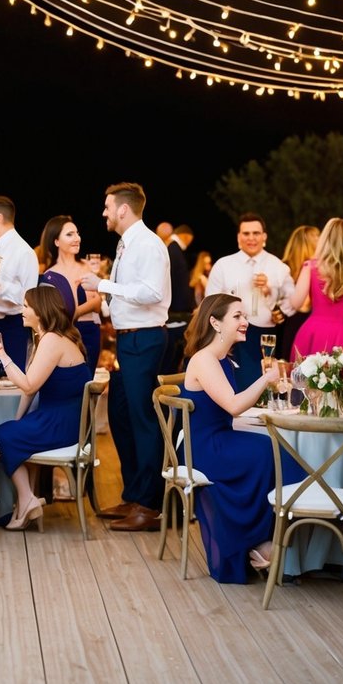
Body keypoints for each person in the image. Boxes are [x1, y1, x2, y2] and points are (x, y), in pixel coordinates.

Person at [181, 293, 304, 583]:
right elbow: (233, 405)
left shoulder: (224, 358)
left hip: (221, 437)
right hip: (205, 446)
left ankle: (266, 540)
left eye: (244, 316)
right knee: (269, 452)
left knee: (273, 448)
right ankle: (262, 540)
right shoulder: (205, 359)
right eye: (237, 316)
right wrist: (266, 379)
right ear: (215, 322)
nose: (245, 322)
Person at [80, 183, 169, 532]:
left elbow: (151, 293)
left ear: (122, 209)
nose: (103, 212)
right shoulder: (125, 244)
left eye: (107, 206)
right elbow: (126, 297)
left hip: (144, 341)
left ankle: (149, 505)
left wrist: (103, 285)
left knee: (143, 420)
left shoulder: (147, 244)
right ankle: (134, 493)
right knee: (121, 415)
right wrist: (100, 302)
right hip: (126, 341)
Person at [0, 285, 94, 530]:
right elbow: (33, 388)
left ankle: (26, 500)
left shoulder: (52, 340)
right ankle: (24, 504)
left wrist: (3, 356)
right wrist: (18, 419)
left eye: (26, 306)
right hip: (63, 418)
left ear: (40, 310)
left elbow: (27, 385)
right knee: (11, 432)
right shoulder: (50, 337)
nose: (21, 311)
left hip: (62, 422)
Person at [205, 213, 295, 391]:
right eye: (246, 234)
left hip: (266, 338)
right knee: (234, 387)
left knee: (264, 388)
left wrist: (274, 299)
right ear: (239, 237)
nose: (251, 238)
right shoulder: (223, 265)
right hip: (230, 339)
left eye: (256, 233)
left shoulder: (279, 266)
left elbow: (292, 302)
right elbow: (210, 302)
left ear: (264, 236)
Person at [286, 218, 343, 373]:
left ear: (325, 239)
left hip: (315, 333)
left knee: (310, 389)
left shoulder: (311, 267)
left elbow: (296, 303)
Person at [0, 195, 39, 373]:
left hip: (12, 329)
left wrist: (0, 285)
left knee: (12, 383)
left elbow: (30, 297)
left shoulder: (23, 252)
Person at [38, 215, 102, 373]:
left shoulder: (87, 266)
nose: (77, 238)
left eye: (77, 233)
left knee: (89, 379)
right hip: (64, 334)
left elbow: (98, 304)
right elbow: (53, 312)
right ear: (56, 241)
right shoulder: (50, 275)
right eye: (69, 234)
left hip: (90, 332)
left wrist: (76, 311)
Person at [277, 225, 319, 364]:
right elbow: (304, 305)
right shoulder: (314, 269)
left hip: (287, 324)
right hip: (299, 323)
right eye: (317, 238)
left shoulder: (284, 266)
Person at [161, 223, 195, 375]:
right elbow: (179, 283)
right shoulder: (174, 249)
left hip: (175, 309)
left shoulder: (172, 249)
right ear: (186, 236)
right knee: (173, 358)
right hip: (177, 312)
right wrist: (187, 307)